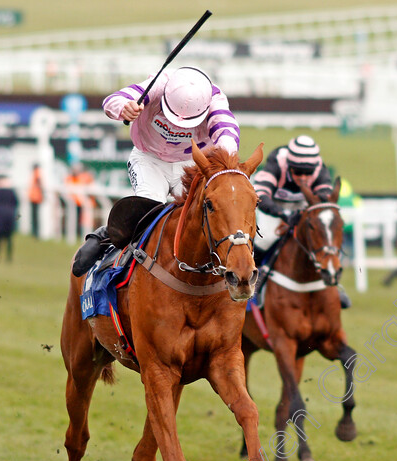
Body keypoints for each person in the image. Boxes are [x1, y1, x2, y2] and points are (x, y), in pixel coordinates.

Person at [71, 66, 240, 277]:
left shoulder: (216, 100)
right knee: (148, 205)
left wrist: (226, 159)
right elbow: (112, 100)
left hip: (189, 165)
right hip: (147, 158)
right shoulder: (159, 83)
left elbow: (228, 131)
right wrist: (125, 108)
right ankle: (104, 237)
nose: (175, 126)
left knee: (199, 213)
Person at [252, 135, 351, 309]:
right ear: (289, 167)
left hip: (305, 204)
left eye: (308, 173)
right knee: (265, 238)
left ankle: (334, 284)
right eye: (298, 172)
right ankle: (254, 279)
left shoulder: (320, 169)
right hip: (274, 205)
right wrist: (284, 214)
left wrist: (302, 215)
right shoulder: (277, 163)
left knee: (326, 237)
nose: (303, 177)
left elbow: (324, 201)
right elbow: (261, 196)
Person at [0, 173, 19, 262]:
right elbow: (17, 204)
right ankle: (9, 258)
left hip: (0, 217)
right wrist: (16, 219)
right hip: (10, 216)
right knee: (9, 238)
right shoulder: (11, 192)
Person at [27, 163, 44, 239]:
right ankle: (35, 233)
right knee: (35, 216)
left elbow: (39, 182)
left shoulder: (36, 172)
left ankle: (35, 233)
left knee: (35, 217)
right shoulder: (37, 172)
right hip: (36, 197)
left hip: (35, 197)